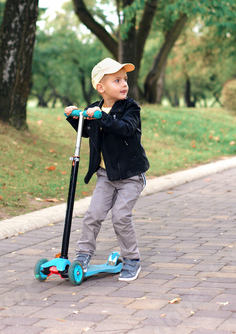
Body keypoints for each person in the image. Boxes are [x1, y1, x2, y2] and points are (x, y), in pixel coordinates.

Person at [64, 58, 149, 281]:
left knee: (121, 216)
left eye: (125, 80)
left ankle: (132, 259)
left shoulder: (130, 107)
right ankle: (83, 254)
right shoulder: (94, 108)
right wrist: (74, 117)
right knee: (93, 215)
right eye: (117, 80)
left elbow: (125, 129)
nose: (124, 85)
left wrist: (104, 118)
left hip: (131, 176)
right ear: (101, 88)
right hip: (106, 176)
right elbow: (87, 131)